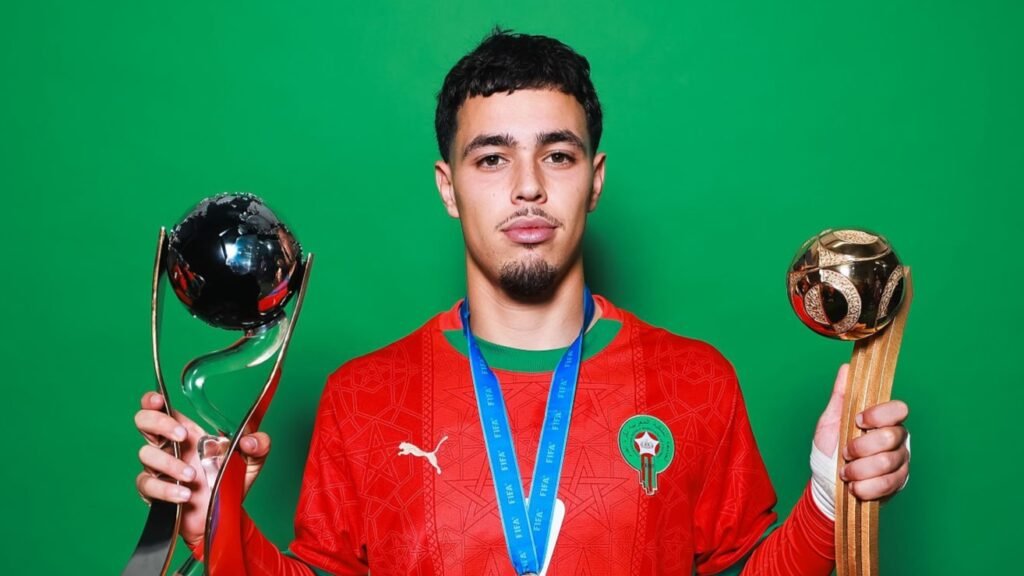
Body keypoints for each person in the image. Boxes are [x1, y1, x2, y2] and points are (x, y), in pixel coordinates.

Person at [134, 30, 910, 575]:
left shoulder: (696, 381)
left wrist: (827, 495)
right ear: (449, 188)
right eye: (492, 157)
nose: (528, 186)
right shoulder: (360, 399)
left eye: (558, 154)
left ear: (595, 179)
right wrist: (216, 529)